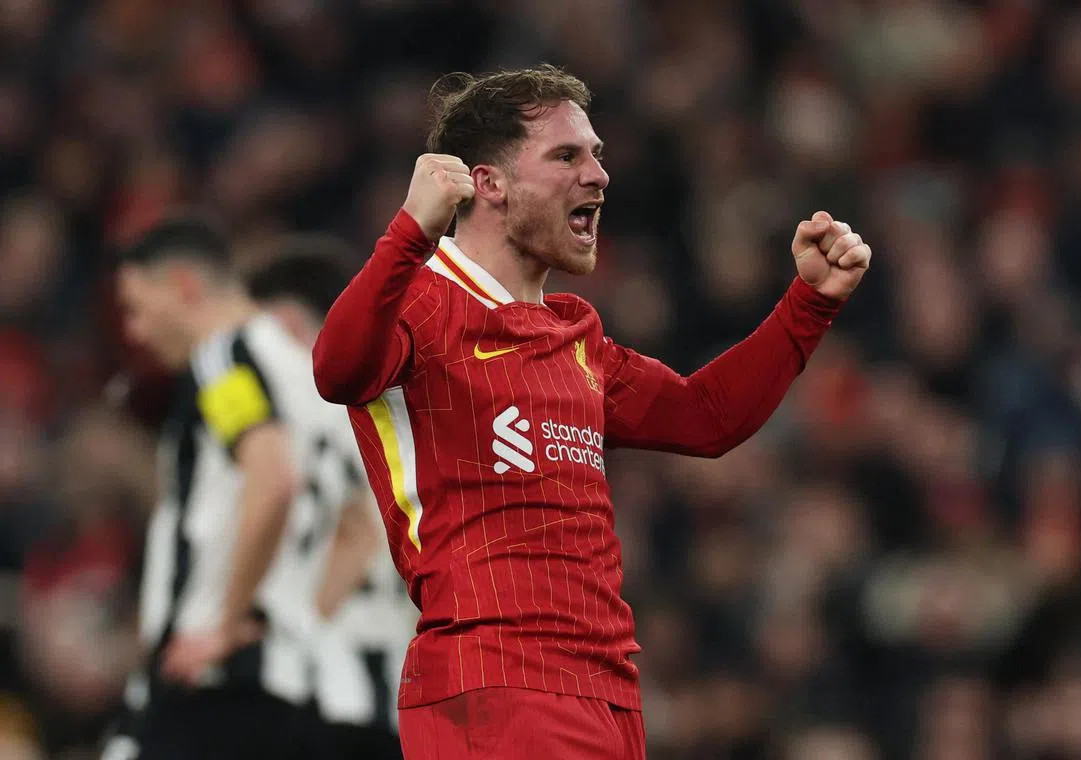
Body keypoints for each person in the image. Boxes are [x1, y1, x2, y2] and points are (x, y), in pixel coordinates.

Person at [312, 65, 871, 760]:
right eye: (567, 155)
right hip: (495, 684)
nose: (599, 175)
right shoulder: (422, 301)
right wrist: (407, 235)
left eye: (598, 154)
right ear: (488, 183)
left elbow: (705, 418)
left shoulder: (575, 335)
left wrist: (809, 304)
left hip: (606, 689)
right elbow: (336, 370)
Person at [103, 218, 366, 760]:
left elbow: (274, 480)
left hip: (207, 679)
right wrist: (292, 621)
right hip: (286, 684)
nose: (135, 330)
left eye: (136, 306)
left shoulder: (226, 358)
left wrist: (226, 626)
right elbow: (359, 526)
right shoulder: (314, 379)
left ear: (182, 285)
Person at [247, 242, 418, 760]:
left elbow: (356, 534)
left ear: (291, 326)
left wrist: (295, 627)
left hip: (339, 687)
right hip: (406, 696)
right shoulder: (406, 410)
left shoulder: (320, 414)